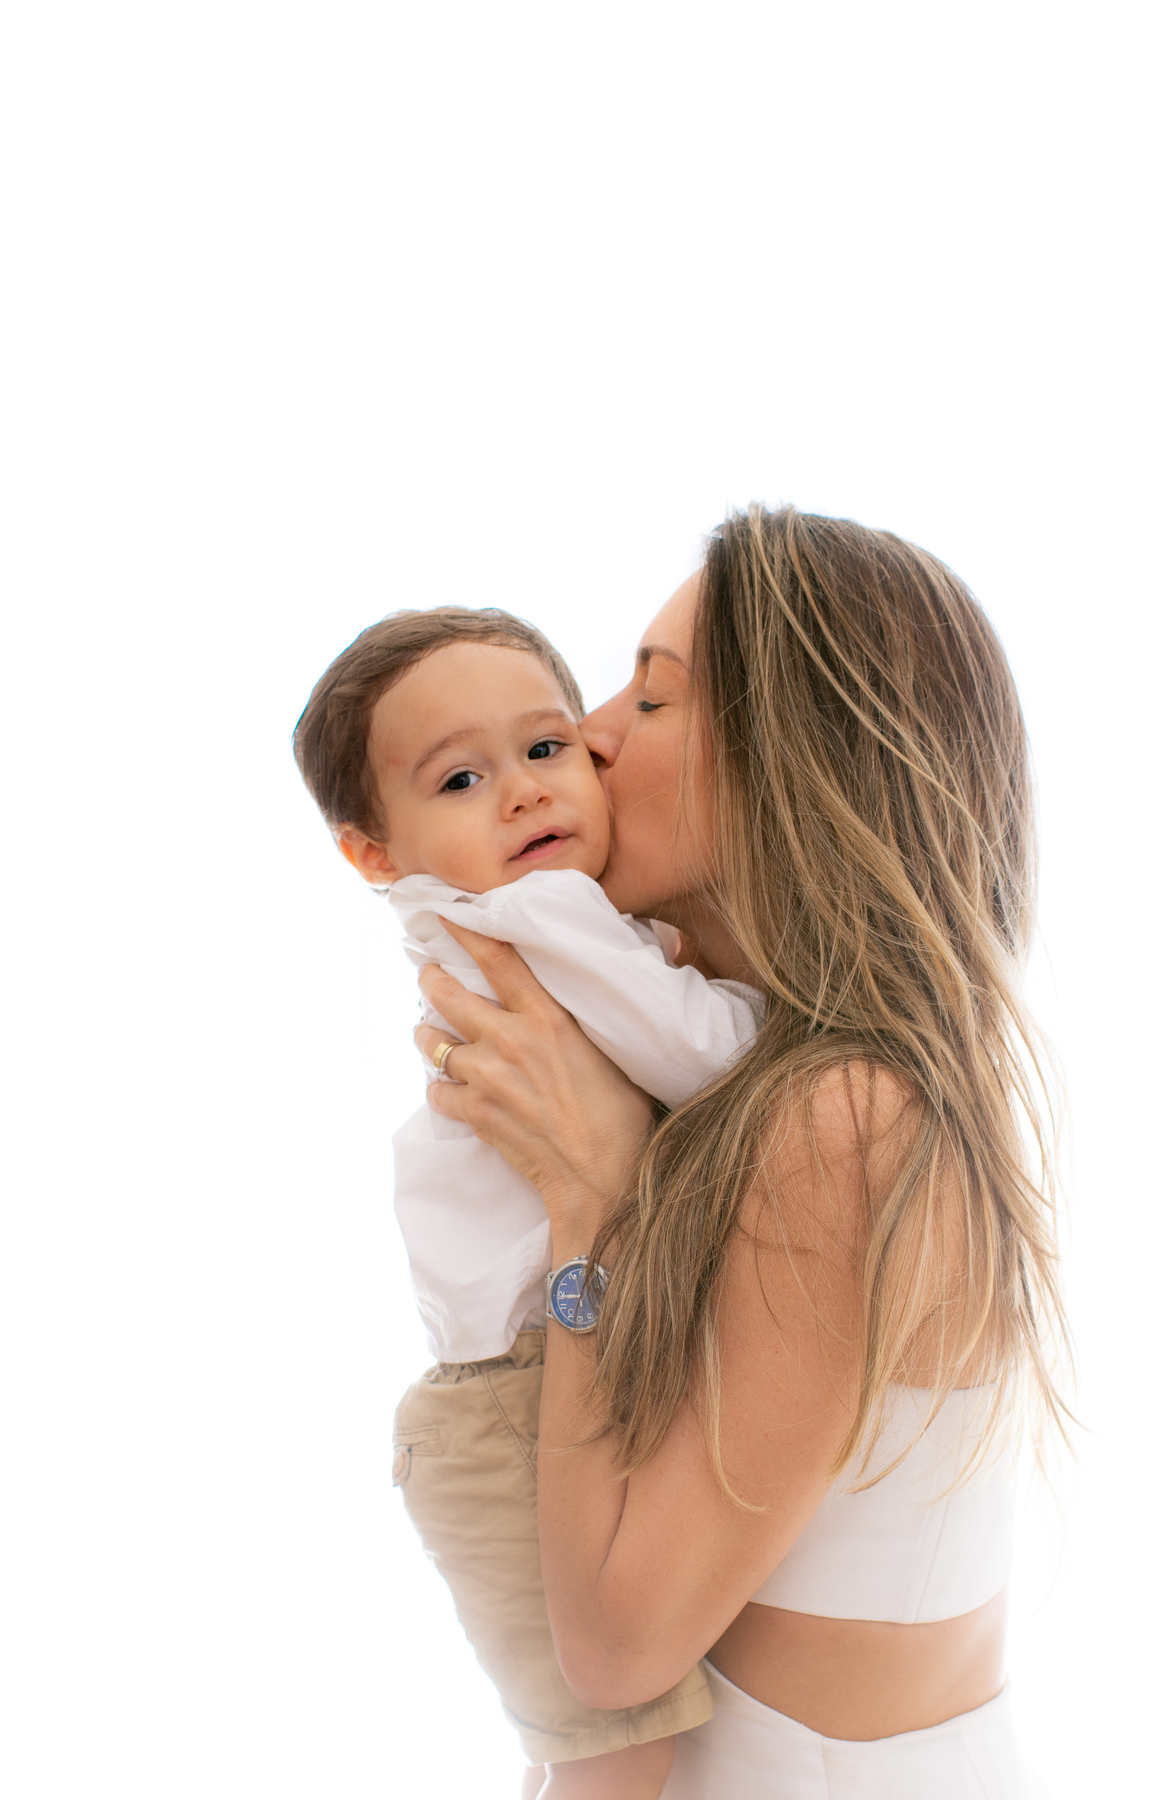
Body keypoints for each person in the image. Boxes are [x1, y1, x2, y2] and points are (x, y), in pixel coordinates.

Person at [412, 506, 1071, 1798]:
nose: (591, 732)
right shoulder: (769, 1084)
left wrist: (590, 1205)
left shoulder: (848, 1121)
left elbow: (615, 1651)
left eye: (653, 700)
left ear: (796, 769)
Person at [292, 607, 764, 1798]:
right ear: (372, 853)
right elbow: (706, 1060)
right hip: (515, 1405)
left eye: (547, 749)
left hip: (525, 1378)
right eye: (460, 776)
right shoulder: (537, 918)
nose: (520, 793)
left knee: (604, 1754)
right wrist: (781, 1015)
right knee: (619, 1754)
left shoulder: (515, 917)